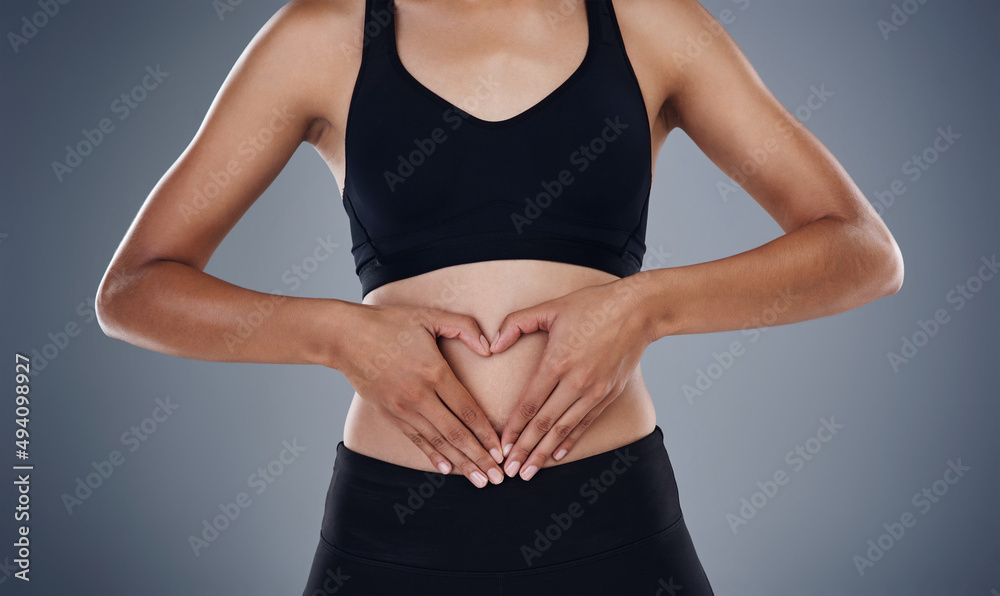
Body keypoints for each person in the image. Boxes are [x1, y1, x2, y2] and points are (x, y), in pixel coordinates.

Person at [95, 0, 904, 594]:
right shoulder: (323, 35)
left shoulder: (651, 25)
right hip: (391, 534)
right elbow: (136, 288)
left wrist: (647, 308)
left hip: (614, 521)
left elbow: (860, 249)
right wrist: (337, 336)